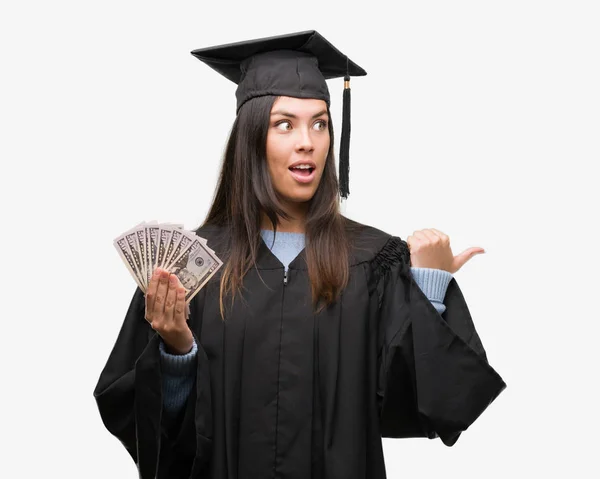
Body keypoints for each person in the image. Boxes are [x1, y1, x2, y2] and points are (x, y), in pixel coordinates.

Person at [93, 30, 507, 479]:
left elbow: (430, 407)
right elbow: (147, 428)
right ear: (252, 140)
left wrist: (429, 287)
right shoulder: (192, 267)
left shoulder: (374, 262)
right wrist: (177, 354)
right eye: (284, 124)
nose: (307, 141)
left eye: (320, 123)